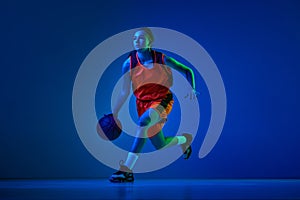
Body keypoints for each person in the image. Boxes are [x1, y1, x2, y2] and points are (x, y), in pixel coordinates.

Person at [109, 27, 198, 183]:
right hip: (142, 103)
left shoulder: (162, 59)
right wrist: (115, 113)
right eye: (135, 38)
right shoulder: (128, 64)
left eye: (142, 38)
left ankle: (127, 170)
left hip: (162, 100)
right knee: (160, 144)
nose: (137, 41)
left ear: (151, 41)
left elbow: (187, 70)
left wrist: (193, 88)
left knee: (143, 122)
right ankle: (185, 140)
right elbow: (124, 91)